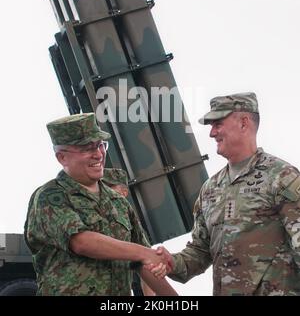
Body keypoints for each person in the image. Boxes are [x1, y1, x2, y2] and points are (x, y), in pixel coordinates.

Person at [149, 92, 300, 296]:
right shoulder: (211, 188)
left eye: (218, 123)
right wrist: (171, 262)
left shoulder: (282, 177)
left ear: (244, 123)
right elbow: (200, 251)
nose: (212, 133)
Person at [24, 113, 177, 296]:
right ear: (62, 158)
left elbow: (145, 264)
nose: (98, 154)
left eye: (100, 145)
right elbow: (81, 242)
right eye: (86, 149)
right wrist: (142, 253)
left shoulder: (118, 202)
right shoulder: (49, 197)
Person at [102, 167, 156, 296]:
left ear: (124, 192)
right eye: (101, 186)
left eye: (110, 186)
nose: (104, 191)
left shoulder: (130, 224)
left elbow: (147, 265)